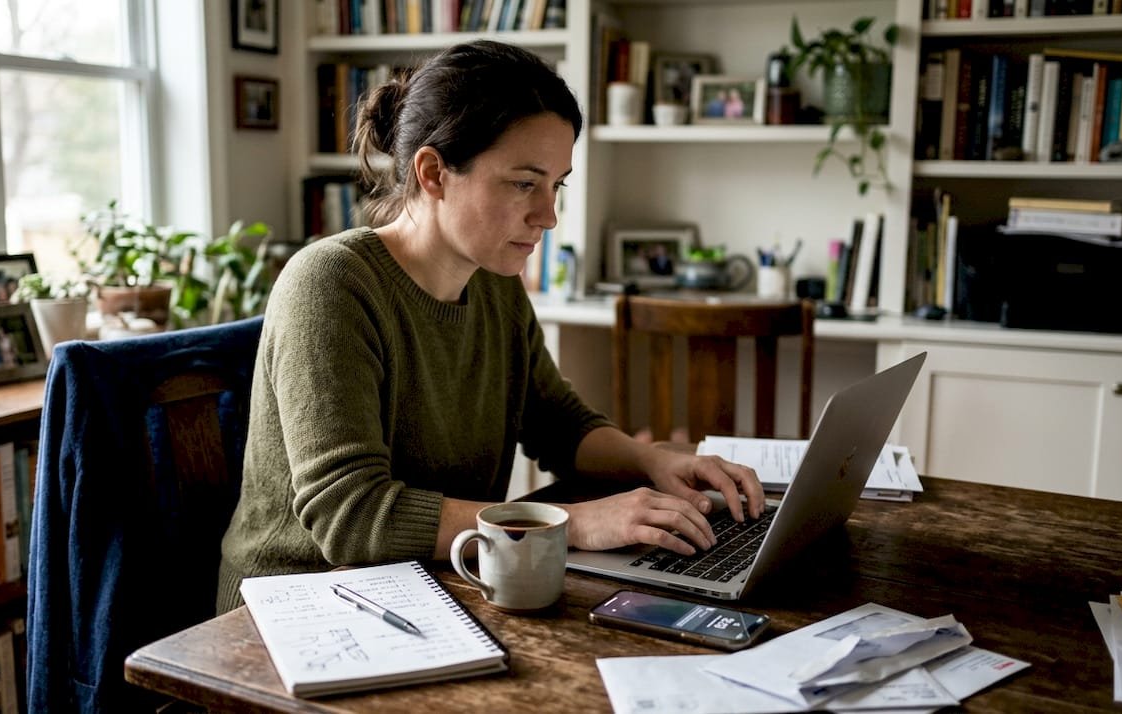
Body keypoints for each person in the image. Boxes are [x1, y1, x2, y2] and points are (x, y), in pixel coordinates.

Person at [216, 40, 764, 613]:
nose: (548, 216)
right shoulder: (330, 284)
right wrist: (568, 523)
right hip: (292, 607)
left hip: (433, 586)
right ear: (433, 173)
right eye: (524, 183)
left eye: (557, 185)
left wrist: (658, 463)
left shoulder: (496, 280)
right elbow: (351, 518)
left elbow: (558, 424)